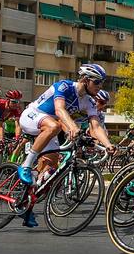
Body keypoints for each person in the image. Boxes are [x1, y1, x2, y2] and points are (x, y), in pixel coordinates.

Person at [17, 64, 115, 227]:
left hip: (50, 126)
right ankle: (25, 166)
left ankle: (26, 207)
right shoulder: (64, 86)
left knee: (50, 172)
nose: (100, 87)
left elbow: (96, 126)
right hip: (33, 116)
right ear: (85, 79)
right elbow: (60, 110)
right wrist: (72, 127)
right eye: (97, 82)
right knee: (54, 126)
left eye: (102, 83)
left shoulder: (89, 102)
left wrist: (108, 145)